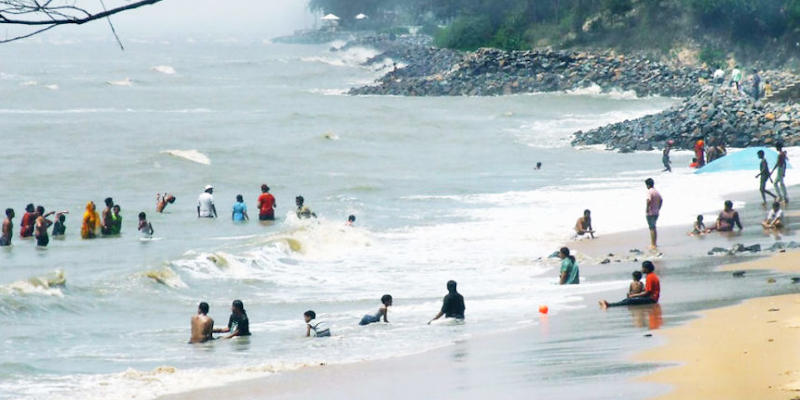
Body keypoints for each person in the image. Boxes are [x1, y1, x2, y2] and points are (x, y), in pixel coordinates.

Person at [645, 178, 663, 249]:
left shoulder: (649, 191)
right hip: (656, 212)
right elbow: (661, 200)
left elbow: (648, 200)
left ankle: (653, 244)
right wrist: (658, 208)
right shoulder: (656, 191)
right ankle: (654, 243)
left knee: (652, 228)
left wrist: (647, 208)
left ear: (648, 185)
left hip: (651, 212)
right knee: (654, 228)